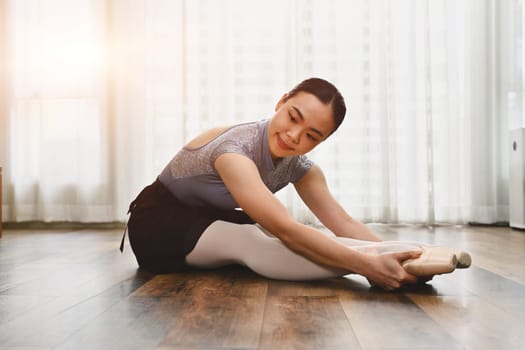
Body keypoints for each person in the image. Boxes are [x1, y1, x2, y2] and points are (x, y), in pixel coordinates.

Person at [124, 77, 470, 291]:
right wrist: (365, 266)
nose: (293, 136)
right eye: (293, 117)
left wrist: (392, 246)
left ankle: (405, 257)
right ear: (281, 101)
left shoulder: (303, 168)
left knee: (303, 235)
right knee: (251, 238)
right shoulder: (234, 151)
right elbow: (286, 229)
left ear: (321, 142)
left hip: (207, 220)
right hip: (159, 224)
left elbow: (342, 223)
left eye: (311, 136)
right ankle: (388, 262)